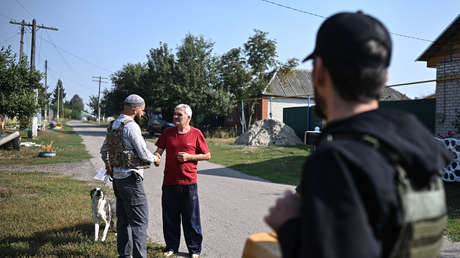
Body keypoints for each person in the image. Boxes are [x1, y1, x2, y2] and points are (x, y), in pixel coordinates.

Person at [264, 11, 451, 258]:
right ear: (385, 79)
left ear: (319, 71)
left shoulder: (339, 161)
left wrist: (288, 225)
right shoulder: (415, 151)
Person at [100, 94, 160, 258]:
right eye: (142, 109)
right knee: (140, 223)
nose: (143, 112)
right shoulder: (131, 126)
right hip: (131, 180)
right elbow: (143, 153)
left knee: (124, 221)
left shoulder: (113, 124)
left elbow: (104, 150)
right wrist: (156, 158)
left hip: (117, 181)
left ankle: (124, 255)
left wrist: (109, 165)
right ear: (135, 109)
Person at [154, 104, 211, 258]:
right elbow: (158, 151)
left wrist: (189, 157)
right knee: (170, 217)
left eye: (179, 114)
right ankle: (171, 247)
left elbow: (207, 155)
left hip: (189, 183)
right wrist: (157, 158)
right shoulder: (167, 133)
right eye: (175, 114)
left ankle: (194, 250)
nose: (175, 117)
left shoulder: (196, 133)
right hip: (169, 182)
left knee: (191, 218)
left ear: (188, 117)